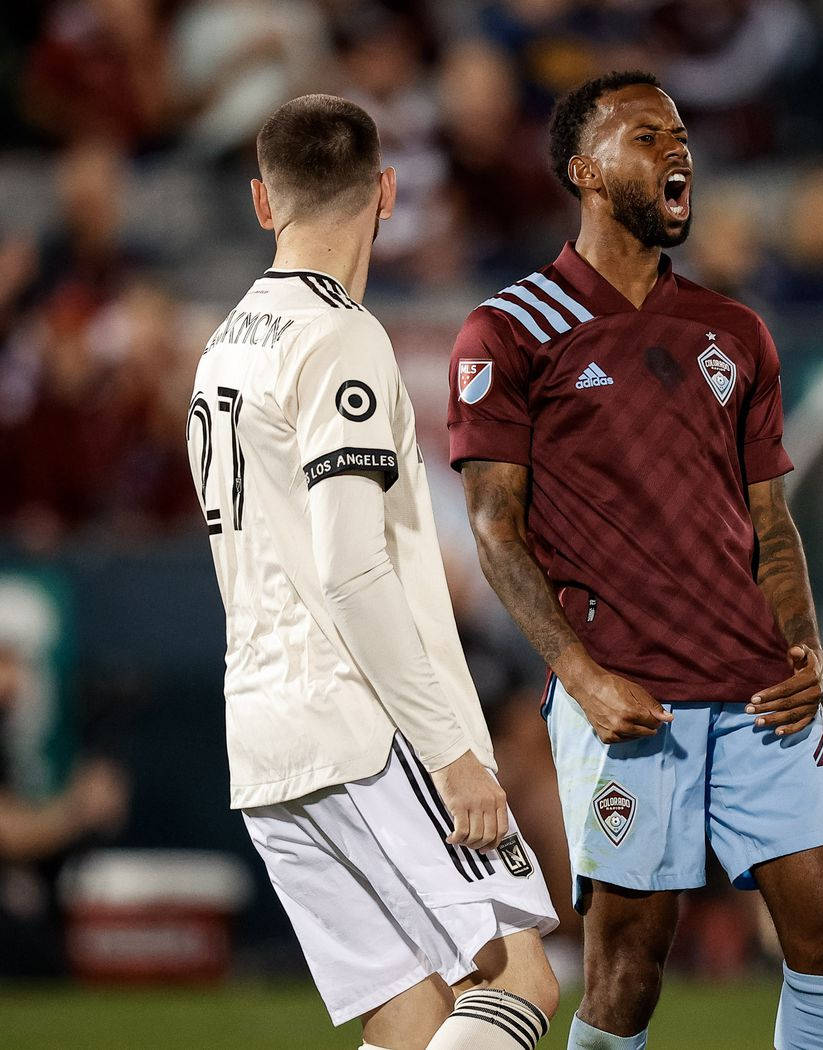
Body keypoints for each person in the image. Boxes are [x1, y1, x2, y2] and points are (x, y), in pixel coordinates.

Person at [448, 71, 823, 1050]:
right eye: (646, 135)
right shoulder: (509, 331)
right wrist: (581, 680)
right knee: (630, 969)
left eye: (680, 133)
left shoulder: (734, 333)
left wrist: (802, 647)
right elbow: (496, 532)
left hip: (759, 687)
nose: (676, 150)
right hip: (630, 701)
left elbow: (769, 519)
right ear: (584, 171)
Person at [187, 95, 558, 1050]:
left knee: (411, 1019)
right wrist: (450, 751)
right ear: (387, 193)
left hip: (265, 737)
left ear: (264, 203)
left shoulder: (221, 350)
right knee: (520, 979)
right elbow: (351, 573)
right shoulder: (340, 338)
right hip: (364, 723)